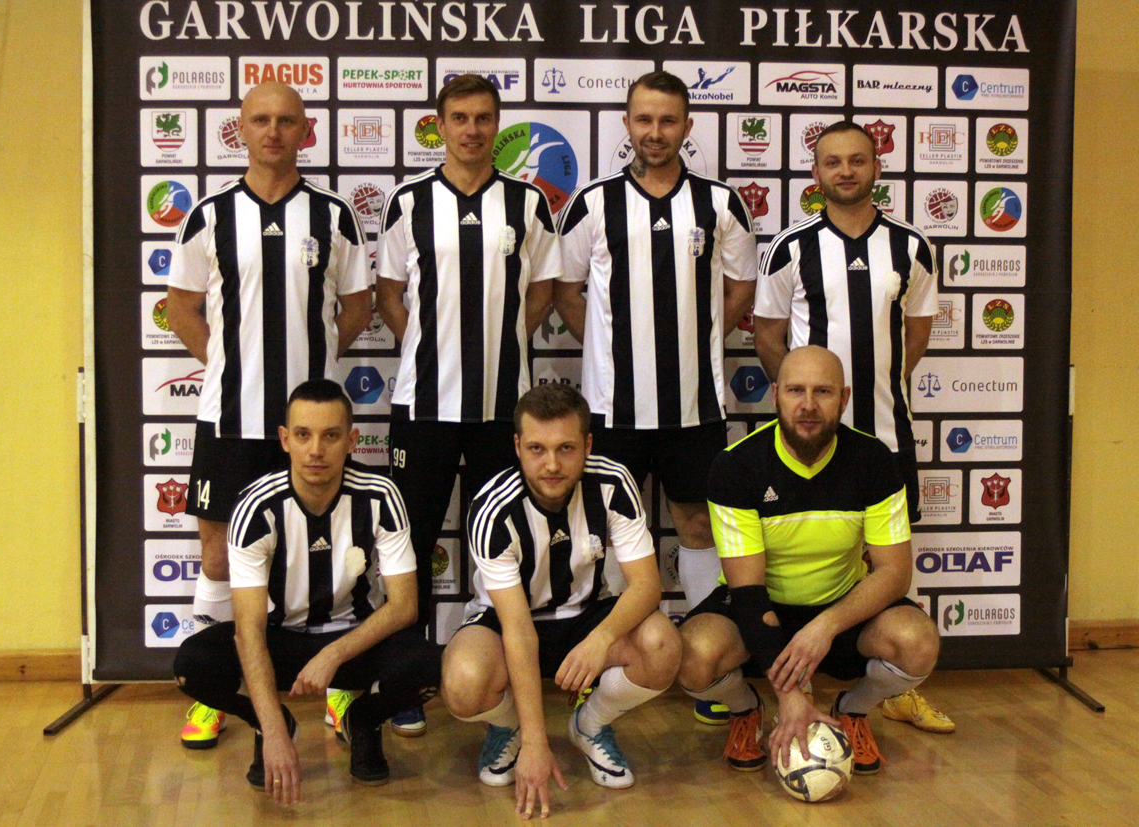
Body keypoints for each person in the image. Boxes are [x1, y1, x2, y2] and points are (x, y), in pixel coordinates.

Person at [165, 81, 373, 748]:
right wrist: (231, 364)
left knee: (332, 555)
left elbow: (359, 307)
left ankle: (340, 686)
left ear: (305, 131)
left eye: (286, 120)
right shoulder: (209, 214)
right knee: (218, 556)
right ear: (242, 129)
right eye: (261, 119)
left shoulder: (334, 215)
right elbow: (180, 308)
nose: (273, 131)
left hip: (312, 430)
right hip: (228, 420)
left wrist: (313, 368)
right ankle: (217, 696)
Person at [553, 71, 757, 725]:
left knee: (697, 526)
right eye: (644, 119)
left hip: (695, 408)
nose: (655, 132)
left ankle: (703, 666)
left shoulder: (719, 204)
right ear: (627, 123)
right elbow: (566, 291)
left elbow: (739, 292)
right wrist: (608, 350)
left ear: (687, 126)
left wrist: (695, 342)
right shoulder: (593, 203)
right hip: (611, 410)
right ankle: (615, 664)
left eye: (668, 120)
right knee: (608, 535)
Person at [751, 120, 954, 734]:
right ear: (816, 173)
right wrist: (810, 404)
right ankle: (796, 691)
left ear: (876, 168)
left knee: (886, 569)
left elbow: (916, 334)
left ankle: (883, 696)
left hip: (887, 436)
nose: (845, 171)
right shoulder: (789, 248)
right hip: (811, 443)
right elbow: (767, 334)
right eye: (833, 161)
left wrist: (873, 389)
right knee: (805, 563)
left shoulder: (912, 246)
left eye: (857, 160)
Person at [375, 73, 560, 735]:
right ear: (440, 125)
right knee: (411, 544)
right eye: (460, 118)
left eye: (483, 118)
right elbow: (389, 293)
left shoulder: (527, 202)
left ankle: (498, 675)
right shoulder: (408, 201)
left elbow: (541, 293)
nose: (472, 130)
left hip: (501, 412)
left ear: (496, 125)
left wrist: (501, 344)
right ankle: (405, 679)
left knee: (500, 544)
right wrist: (431, 349)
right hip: (421, 408)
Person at [172, 380, 440, 805]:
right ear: (285, 440)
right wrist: (275, 732)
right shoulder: (255, 508)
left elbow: (405, 606)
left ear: (352, 441)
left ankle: (363, 720)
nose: (316, 450)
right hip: (281, 640)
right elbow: (248, 630)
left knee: (427, 666)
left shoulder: (380, 495)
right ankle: (270, 722)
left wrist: (333, 654)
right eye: (303, 435)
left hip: (351, 642)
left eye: (331, 435)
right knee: (193, 666)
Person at [678, 346, 941, 777]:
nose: (808, 405)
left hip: (840, 613)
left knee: (918, 643)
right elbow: (747, 590)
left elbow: (895, 573)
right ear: (775, 395)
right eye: (795, 390)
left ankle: (852, 711)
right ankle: (745, 710)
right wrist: (790, 696)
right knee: (692, 656)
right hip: (761, 610)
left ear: (845, 398)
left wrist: (825, 625)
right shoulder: (736, 465)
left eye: (823, 391)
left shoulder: (873, 460)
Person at [440, 384, 680, 818]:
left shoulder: (613, 482)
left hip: (586, 616)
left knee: (662, 645)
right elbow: (517, 629)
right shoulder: (492, 507)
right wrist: (536, 743)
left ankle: (590, 725)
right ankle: (509, 727)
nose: (551, 464)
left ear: (587, 445)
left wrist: (600, 639)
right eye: (537, 449)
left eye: (566, 448)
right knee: (462, 682)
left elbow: (647, 586)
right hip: (506, 623)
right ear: (518, 447)